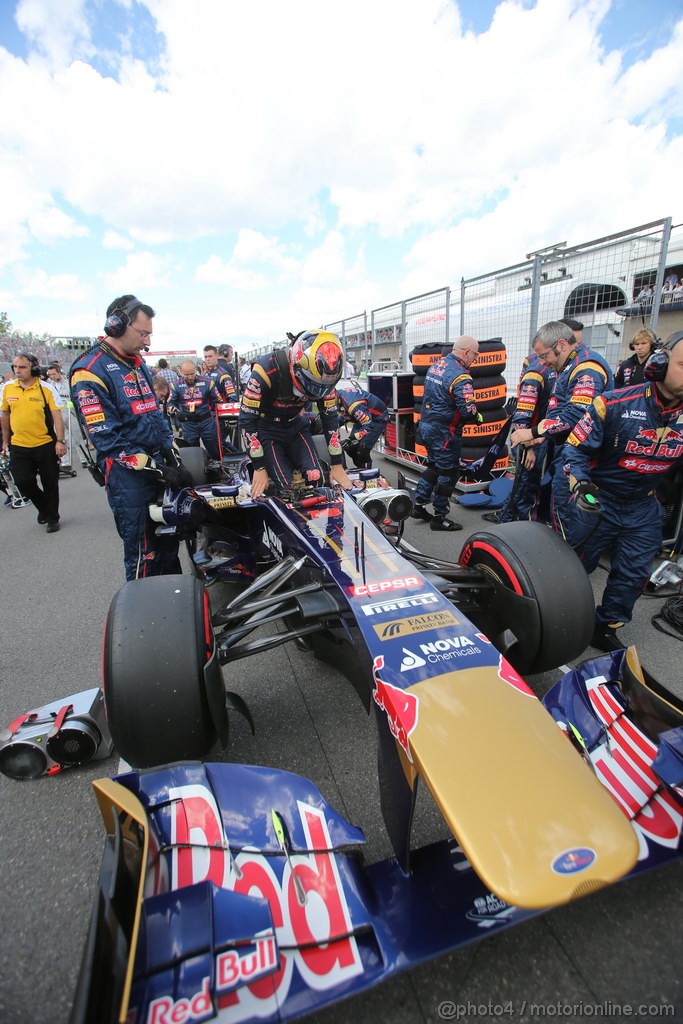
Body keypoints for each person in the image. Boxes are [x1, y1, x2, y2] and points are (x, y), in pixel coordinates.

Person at [555, 330, 683, 651]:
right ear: (659, 364)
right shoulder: (612, 403)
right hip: (600, 499)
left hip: (644, 507)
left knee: (633, 575)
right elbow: (574, 451)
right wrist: (581, 486)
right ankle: (557, 617)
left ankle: (606, 626)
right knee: (573, 566)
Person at [70, 295, 192, 580]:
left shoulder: (138, 365)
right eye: (143, 333)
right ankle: (143, 621)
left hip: (157, 469)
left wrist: (174, 457)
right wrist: (159, 468)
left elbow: (156, 416)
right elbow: (108, 442)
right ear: (116, 325)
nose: (148, 342)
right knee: (144, 553)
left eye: (149, 334)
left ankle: (176, 611)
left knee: (169, 545)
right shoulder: (88, 371)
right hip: (128, 479)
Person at [509, 320, 613, 538]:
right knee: (558, 511)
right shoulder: (568, 367)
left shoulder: (587, 368)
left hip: (583, 459)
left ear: (562, 345)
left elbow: (576, 415)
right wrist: (542, 437)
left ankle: (565, 565)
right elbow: (558, 414)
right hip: (566, 453)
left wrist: (532, 433)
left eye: (544, 355)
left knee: (569, 517)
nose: (542, 362)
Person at [239, 329, 352, 498]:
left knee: (316, 479)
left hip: (296, 427)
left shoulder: (326, 376)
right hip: (267, 431)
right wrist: (259, 467)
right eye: (313, 384)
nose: (317, 390)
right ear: (296, 364)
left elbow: (330, 418)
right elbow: (246, 420)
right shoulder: (266, 370)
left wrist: (337, 464)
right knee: (288, 490)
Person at [410, 335, 481, 532]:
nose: (475, 358)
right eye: (475, 354)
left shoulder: (437, 365)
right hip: (444, 432)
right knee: (449, 472)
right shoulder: (461, 375)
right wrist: (477, 417)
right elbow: (468, 411)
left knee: (433, 466)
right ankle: (439, 517)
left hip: (426, 426)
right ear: (466, 352)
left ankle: (419, 506)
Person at [486, 352, 556, 523]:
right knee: (525, 484)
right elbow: (523, 416)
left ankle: (511, 519)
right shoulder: (536, 372)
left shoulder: (559, 369)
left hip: (542, 437)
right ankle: (511, 522)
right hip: (529, 439)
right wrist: (528, 448)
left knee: (528, 484)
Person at [0, 352, 66, 532]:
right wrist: (5, 441)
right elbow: (5, 414)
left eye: (22, 367)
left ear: (33, 368)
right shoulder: (7, 388)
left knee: (50, 482)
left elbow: (57, 416)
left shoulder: (46, 389)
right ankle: (44, 507)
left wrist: (60, 440)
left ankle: (53, 517)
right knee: (22, 481)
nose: (17, 370)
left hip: (44, 443)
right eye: (15, 367)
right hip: (19, 444)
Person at [168, 360, 223, 460]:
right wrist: (176, 412)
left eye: (192, 374)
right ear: (180, 372)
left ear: (196, 370)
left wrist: (215, 417)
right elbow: (169, 403)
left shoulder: (208, 382)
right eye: (187, 374)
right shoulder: (175, 385)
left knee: (214, 450)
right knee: (192, 454)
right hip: (188, 424)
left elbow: (218, 401)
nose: (190, 377)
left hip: (207, 422)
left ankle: (220, 469)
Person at [336, 386, 389, 468]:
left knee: (362, 450)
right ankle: (360, 469)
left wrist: (351, 440)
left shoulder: (352, 405)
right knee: (350, 449)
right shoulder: (338, 394)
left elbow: (368, 425)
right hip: (364, 417)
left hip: (377, 419)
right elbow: (346, 416)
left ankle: (368, 474)